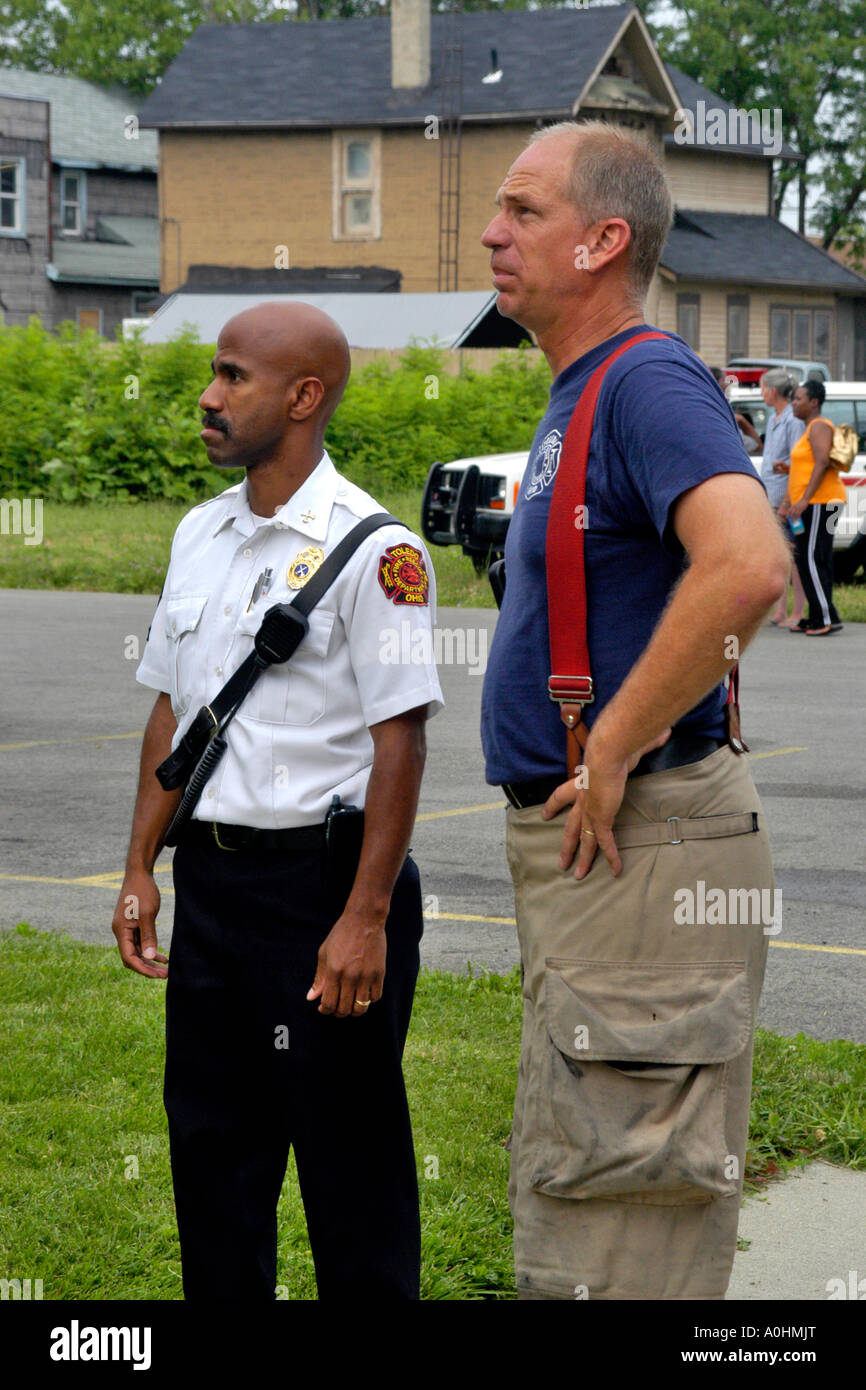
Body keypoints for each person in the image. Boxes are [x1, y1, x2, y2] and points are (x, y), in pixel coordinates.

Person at [480, 121, 790, 1300]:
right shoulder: (585, 387)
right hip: (614, 850)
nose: (493, 233)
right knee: (589, 1177)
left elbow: (748, 566)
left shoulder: (645, 378)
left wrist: (613, 737)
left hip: (642, 830)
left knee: (622, 1195)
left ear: (603, 240)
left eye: (522, 211)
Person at [111, 301, 444, 1301]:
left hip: (321, 891)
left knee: (352, 1175)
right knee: (213, 1158)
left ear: (304, 397)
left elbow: (401, 740)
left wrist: (364, 916)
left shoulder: (377, 550)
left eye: (231, 378)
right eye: (212, 376)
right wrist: (139, 867)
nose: (208, 399)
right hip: (212, 883)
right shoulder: (199, 532)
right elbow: (173, 715)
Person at [781, 379, 845, 636]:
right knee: (816, 557)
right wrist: (788, 497)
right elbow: (806, 466)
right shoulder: (809, 428)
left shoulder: (819, 426)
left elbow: (821, 463)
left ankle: (823, 618)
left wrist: (804, 499)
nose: (794, 403)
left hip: (821, 502)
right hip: (813, 503)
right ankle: (824, 613)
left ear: (814, 402)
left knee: (809, 558)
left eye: (798, 399)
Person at [758, 368, 806, 628]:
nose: (762, 393)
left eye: (764, 388)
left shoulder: (793, 421)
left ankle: (797, 610)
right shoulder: (773, 419)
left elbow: (798, 464)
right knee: (779, 556)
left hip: (788, 501)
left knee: (794, 555)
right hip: (772, 497)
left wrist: (787, 503)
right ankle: (779, 610)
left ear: (773, 391)